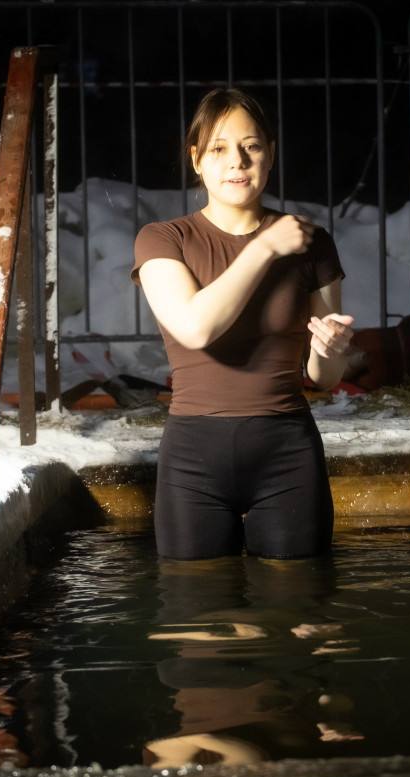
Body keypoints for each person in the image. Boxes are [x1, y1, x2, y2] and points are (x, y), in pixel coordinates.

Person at [131, 88, 354, 560]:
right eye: (219, 148)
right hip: (193, 458)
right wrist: (265, 247)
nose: (237, 160)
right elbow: (195, 328)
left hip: (287, 454)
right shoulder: (163, 239)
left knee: (300, 597)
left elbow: (323, 378)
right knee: (196, 600)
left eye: (251, 146)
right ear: (196, 159)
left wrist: (330, 350)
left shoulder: (310, 242)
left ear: (270, 153)